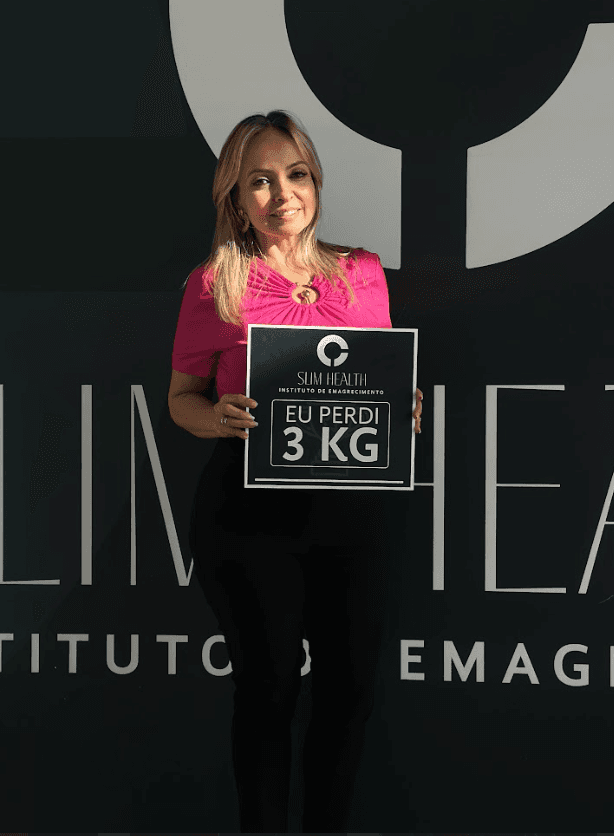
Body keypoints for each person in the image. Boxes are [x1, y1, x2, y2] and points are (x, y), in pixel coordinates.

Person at [168, 110, 423, 833]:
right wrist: (218, 417)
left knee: (350, 691)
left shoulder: (363, 274)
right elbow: (182, 400)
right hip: (250, 515)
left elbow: (374, 380)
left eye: (296, 174)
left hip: (353, 513)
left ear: (315, 181)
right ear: (235, 195)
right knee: (269, 689)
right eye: (260, 181)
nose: (282, 195)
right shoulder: (213, 283)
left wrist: (397, 407)